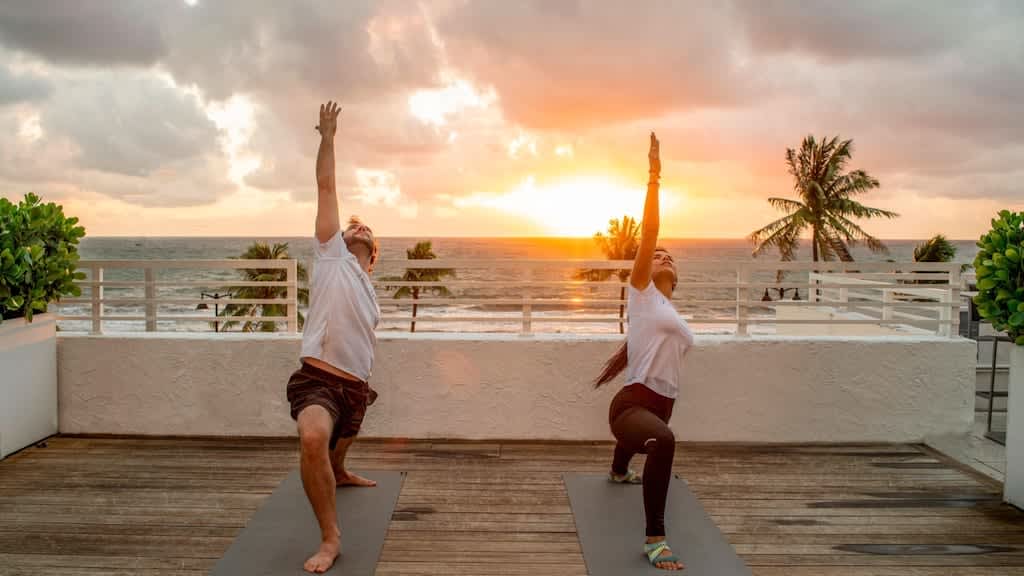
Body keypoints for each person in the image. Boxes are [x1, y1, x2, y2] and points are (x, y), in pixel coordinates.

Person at [285, 100, 381, 574]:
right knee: (313, 439)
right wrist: (328, 138)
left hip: (356, 387)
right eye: (352, 227)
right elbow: (326, 186)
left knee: (340, 442)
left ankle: (339, 471)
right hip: (318, 379)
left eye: (366, 230)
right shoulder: (332, 257)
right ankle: (331, 537)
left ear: (374, 256)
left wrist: (363, 384)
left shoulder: (370, 291)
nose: (357, 228)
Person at [594, 132, 693, 571]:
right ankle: (656, 537)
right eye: (658, 255)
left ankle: (618, 469)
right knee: (665, 441)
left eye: (670, 256)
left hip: (659, 404)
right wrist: (654, 174)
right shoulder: (643, 295)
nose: (663, 256)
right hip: (630, 407)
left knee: (657, 434)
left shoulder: (672, 314)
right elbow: (650, 231)